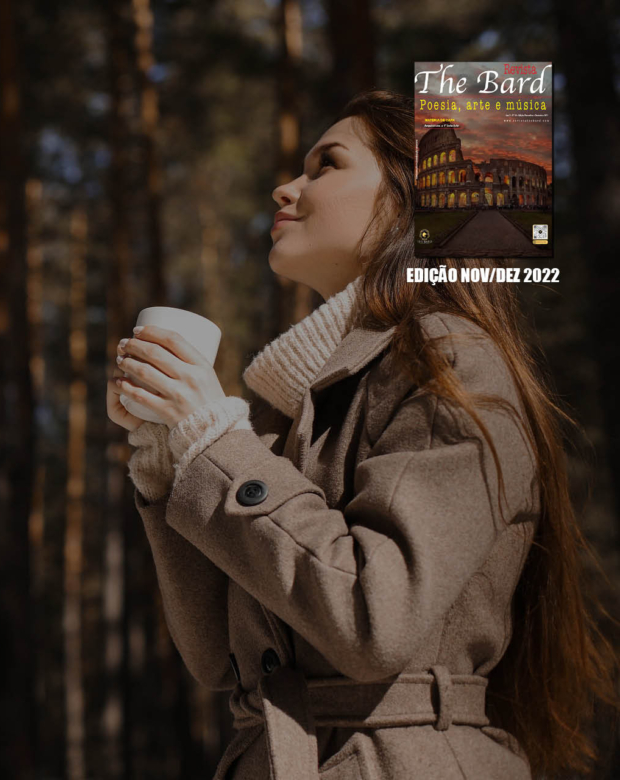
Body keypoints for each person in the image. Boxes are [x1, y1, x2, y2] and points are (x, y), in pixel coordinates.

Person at [105, 89, 620, 779]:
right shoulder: (314, 410)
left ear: (410, 202)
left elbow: (373, 618)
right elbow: (216, 659)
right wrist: (173, 454)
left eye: (326, 165)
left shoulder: (452, 359)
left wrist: (216, 442)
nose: (285, 188)